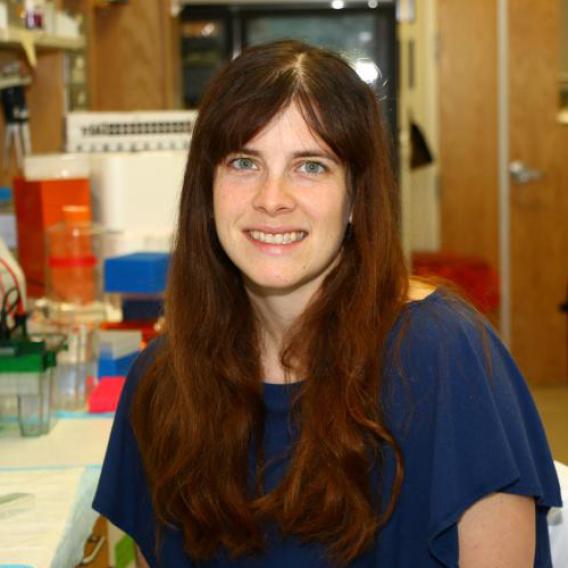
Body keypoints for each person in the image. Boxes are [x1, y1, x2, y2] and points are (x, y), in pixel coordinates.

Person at [93, 40, 562, 567]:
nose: (272, 198)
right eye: (245, 162)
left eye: (311, 166)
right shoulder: (162, 380)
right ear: (207, 189)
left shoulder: (447, 358)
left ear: (357, 197)